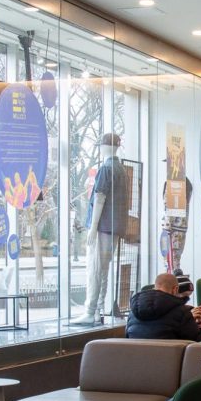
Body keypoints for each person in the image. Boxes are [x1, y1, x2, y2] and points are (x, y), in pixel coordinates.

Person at [75, 133, 129, 324]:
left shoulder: (106, 169)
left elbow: (99, 198)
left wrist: (93, 227)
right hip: (115, 227)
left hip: (103, 226)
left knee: (95, 269)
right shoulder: (121, 170)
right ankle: (97, 310)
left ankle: (91, 311)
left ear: (105, 147)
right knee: (103, 269)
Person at [126, 272, 201, 341]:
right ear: (175, 289)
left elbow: (127, 338)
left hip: (136, 353)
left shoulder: (132, 313)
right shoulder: (182, 312)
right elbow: (196, 344)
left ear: (154, 288)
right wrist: (194, 322)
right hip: (171, 353)